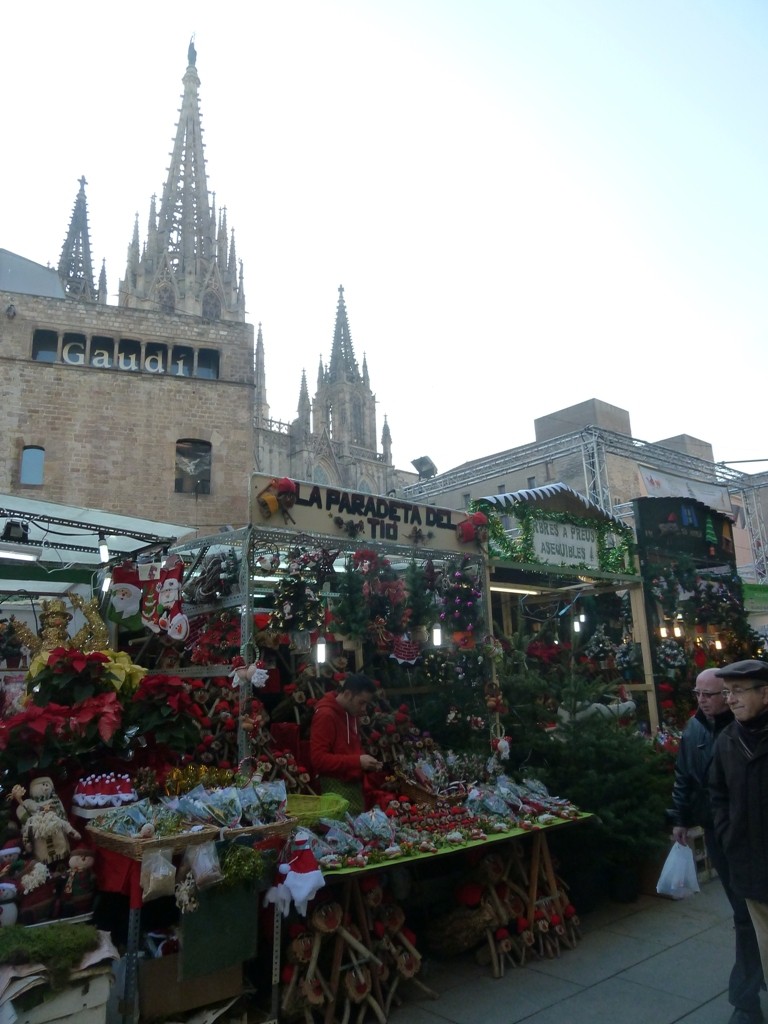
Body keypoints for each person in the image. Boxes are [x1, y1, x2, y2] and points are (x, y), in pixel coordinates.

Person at [672, 668, 763, 1024]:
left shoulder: (743, 730)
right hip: (723, 836)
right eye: (698, 694)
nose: (704, 701)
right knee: (744, 915)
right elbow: (689, 778)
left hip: (751, 836)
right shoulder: (695, 729)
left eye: (710, 694)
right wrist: (681, 817)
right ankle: (746, 996)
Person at [710, 658, 768, 1024]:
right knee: (748, 933)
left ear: (766, 693)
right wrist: (728, 833)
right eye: (727, 692)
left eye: (738, 691)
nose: (729, 699)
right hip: (745, 860)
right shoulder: (727, 741)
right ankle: (746, 1004)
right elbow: (716, 793)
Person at [309, 673, 381, 814]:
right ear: (347, 694)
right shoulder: (325, 715)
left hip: (353, 787)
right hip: (334, 790)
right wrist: (358, 761)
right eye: (362, 702)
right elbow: (318, 759)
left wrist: (366, 763)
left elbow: (350, 749)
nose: (364, 708)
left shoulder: (351, 713)